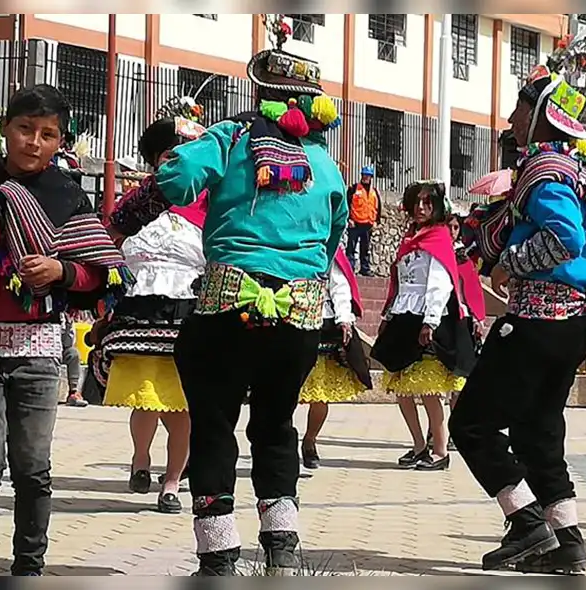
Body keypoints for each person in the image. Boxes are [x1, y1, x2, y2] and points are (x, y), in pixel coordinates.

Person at [111, 16, 347, 575]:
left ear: (259, 94)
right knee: (276, 423)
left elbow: (174, 180)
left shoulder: (231, 137)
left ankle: (217, 555)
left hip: (227, 305)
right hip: (298, 313)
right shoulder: (327, 165)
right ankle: (282, 549)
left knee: (214, 423)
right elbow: (332, 241)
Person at [449, 65, 586, 575]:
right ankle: (567, 541)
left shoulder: (544, 171)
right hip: (571, 323)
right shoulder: (580, 171)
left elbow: (564, 237)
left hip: (538, 318)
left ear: (541, 114)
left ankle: (526, 524)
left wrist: (509, 262)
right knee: (537, 431)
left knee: (471, 423)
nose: (511, 118)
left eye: (520, 109)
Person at [0, 84, 132, 576]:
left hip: (35, 354)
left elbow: (100, 269)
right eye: (25, 128)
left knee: (32, 469)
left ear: (60, 142)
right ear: (6, 128)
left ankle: (28, 567)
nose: (34, 141)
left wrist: (60, 272)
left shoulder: (66, 196)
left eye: (47, 134)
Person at [95, 96, 210, 514]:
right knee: (145, 398)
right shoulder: (135, 202)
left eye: (183, 157)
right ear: (155, 159)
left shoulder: (211, 208)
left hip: (187, 312)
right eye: (167, 155)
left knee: (181, 405)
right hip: (139, 308)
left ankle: (173, 482)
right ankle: (141, 457)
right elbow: (109, 246)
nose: (174, 163)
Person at [371, 180, 474, 472]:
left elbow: (440, 284)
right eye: (416, 203)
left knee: (429, 390)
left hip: (429, 317)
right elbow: (400, 283)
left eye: (427, 203)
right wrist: (388, 316)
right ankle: (418, 446)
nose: (420, 208)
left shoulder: (439, 237)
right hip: (404, 314)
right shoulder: (410, 238)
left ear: (437, 207)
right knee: (401, 387)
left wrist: (430, 321)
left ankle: (440, 451)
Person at [299, 245, 373, 469]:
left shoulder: (328, 248)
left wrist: (343, 318)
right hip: (290, 317)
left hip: (322, 321)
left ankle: (310, 440)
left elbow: (339, 286)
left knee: (320, 394)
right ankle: (281, 443)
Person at [426, 214, 486, 452]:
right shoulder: (435, 253)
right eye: (448, 226)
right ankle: (435, 430)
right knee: (436, 380)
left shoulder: (463, 259)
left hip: (461, 323)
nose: (452, 231)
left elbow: (473, 290)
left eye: (455, 227)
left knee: (458, 381)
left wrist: (478, 318)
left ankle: (454, 428)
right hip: (439, 322)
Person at [346, 165, 381, 276]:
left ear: (371, 177)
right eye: (364, 175)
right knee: (351, 247)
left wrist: (376, 221)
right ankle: (350, 268)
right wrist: (349, 219)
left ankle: (364, 269)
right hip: (355, 223)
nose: (366, 177)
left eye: (368, 176)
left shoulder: (374, 191)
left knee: (365, 249)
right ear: (361, 176)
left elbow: (378, 207)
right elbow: (346, 204)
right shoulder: (354, 188)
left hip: (368, 224)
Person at [60, 316, 86, 407]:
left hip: (60, 349)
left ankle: (73, 392)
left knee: (73, 353)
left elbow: (68, 343)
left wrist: (68, 324)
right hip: (44, 347)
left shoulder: (67, 317)